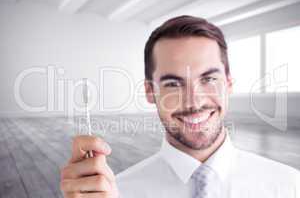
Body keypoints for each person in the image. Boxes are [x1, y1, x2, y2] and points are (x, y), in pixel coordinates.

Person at [60, 15, 300, 198]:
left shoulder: (290, 186)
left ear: (228, 85)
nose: (194, 102)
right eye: (173, 83)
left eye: (208, 79)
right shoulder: (116, 193)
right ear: (150, 92)